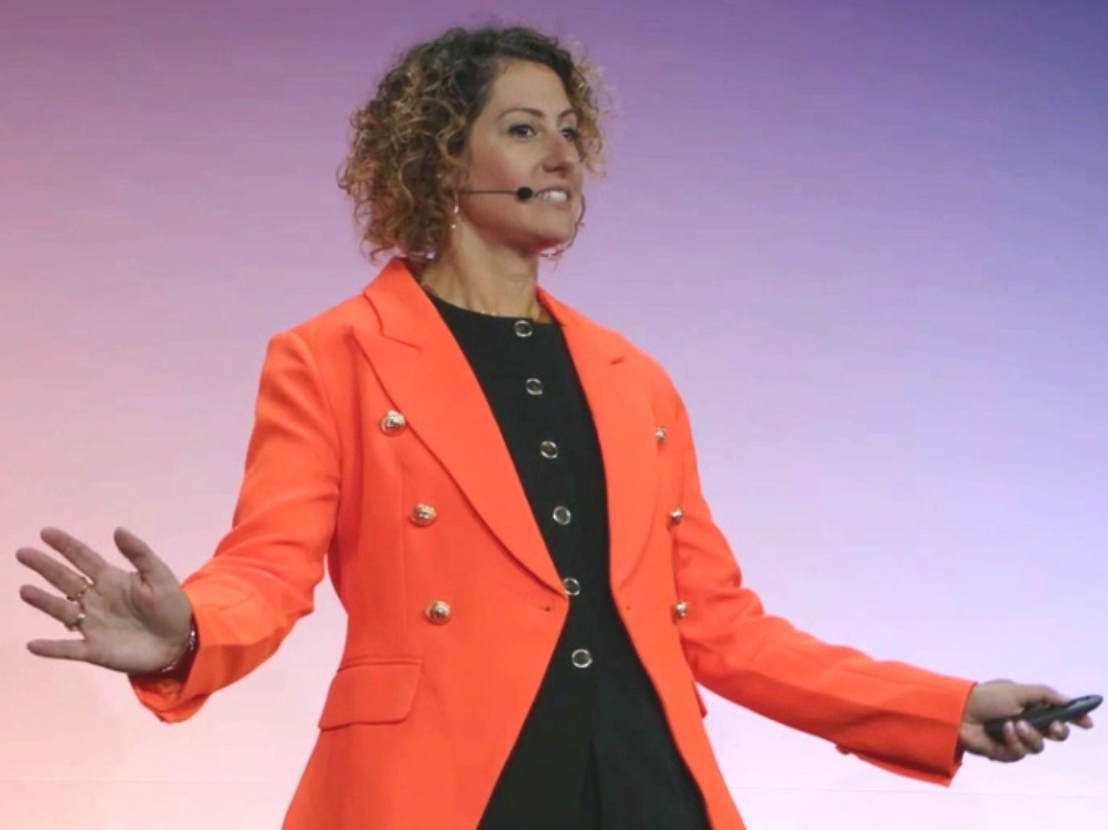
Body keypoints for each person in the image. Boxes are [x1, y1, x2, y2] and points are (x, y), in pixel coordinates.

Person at [15, 24, 1093, 830]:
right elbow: (270, 563)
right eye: (524, 129)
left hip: (645, 781)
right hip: (444, 788)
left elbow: (719, 626)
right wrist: (190, 632)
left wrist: (942, 704)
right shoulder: (331, 353)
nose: (564, 156)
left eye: (573, 132)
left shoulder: (639, 381)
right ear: (439, 155)